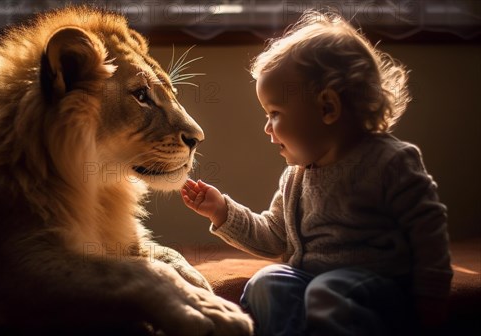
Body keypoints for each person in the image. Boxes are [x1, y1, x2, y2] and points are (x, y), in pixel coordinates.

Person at [181, 10, 452, 336]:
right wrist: (222, 210)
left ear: (327, 108)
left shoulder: (390, 162)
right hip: (311, 282)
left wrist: (430, 295)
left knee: (329, 290)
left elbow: (429, 232)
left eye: (275, 113)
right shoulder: (295, 177)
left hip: (378, 288)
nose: (267, 128)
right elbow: (273, 237)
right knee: (267, 282)